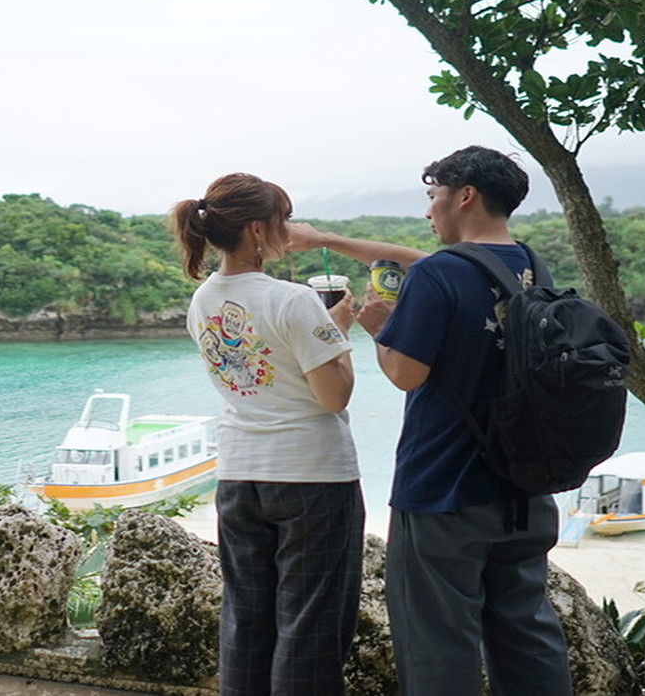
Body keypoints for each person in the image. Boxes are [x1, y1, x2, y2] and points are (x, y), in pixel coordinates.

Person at [288, 146, 573, 696]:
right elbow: (422, 260)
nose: (427, 211)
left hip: (445, 487)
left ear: (463, 195)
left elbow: (404, 374)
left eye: (432, 195)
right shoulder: (532, 267)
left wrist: (379, 327)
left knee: (437, 640)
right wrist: (325, 239)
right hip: (525, 484)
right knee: (526, 630)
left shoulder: (439, 275)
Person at [170, 172, 364, 696]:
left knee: (247, 619)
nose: (290, 229)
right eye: (283, 219)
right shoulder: (293, 300)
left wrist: (329, 332)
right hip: (312, 476)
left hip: (239, 474)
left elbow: (267, 371)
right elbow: (333, 396)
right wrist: (337, 336)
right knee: (311, 625)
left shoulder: (203, 301)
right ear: (258, 229)